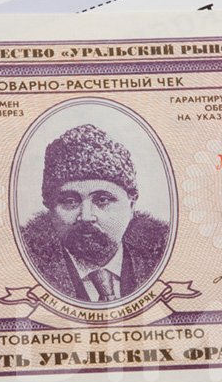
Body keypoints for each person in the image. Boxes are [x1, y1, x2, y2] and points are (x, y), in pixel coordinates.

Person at [20, 123, 169, 303]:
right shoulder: (24, 268)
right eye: (70, 201)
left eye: (102, 200)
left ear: (131, 206)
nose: (86, 217)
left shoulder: (162, 261)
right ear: (49, 208)